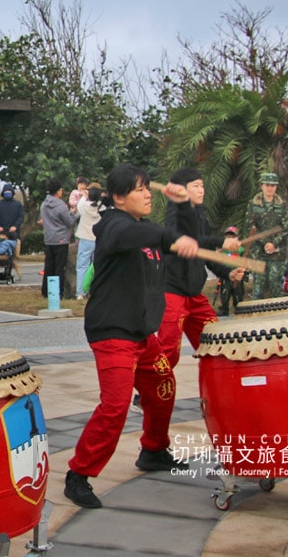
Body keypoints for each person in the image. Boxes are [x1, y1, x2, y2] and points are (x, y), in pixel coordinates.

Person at [63, 164, 199, 510]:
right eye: (139, 189)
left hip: (141, 332)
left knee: (163, 385)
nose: (147, 194)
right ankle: (78, 474)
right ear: (119, 197)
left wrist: (188, 215)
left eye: (147, 188)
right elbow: (130, 237)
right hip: (113, 332)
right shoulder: (112, 225)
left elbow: (178, 238)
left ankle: (154, 449)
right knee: (116, 407)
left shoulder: (145, 230)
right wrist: (169, 236)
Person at [159, 168, 243, 369]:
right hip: (172, 292)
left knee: (215, 343)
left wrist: (227, 272)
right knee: (168, 350)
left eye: (202, 185)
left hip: (194, 295)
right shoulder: (175, 213)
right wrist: (221, 241)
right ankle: (148, 395)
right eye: (195, 186)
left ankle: (214, 394)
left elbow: (205, 252)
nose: (201, 190)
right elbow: (184, 240)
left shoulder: (200, 215)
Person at [244, 172, 288, 300]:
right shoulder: (253, 204)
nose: (270, 188)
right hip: (258, 251)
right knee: (258, 285)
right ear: (261, 186)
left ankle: (277, 315)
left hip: (277, 252)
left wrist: (274, 243)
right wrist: (265, 243)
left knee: (275, 283)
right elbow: (250, 226)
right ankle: (256, 315)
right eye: (267, 185)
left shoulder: (282, 205)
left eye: (273, 185)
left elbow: (286, 227)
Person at [40, 178, 78, 301]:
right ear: (58, 191)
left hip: (49, 239)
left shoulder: (44, 204)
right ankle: (58, 292)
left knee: (49, 266)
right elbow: (69, 222)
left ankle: (46, 291)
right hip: (61, 239)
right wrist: (74, 213)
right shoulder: (60, 205)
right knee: (59, 267)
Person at [74, 183, 103, 299]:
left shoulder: (84, 205)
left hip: (85, 238)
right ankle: (96, 291)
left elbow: (79, 206)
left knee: (82, 266)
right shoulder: (102, 207)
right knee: (98, 266)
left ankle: (80, 292)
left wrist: (84, 195)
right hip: (99, 239)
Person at [213, 226, 246, 316]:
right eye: (228, 237)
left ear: (237, 237)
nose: (230, 239)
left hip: (237, 274)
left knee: (238, 294)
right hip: (225, 274)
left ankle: (239, 308)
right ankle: (224, 309)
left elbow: (245, 261)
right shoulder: (222, 249)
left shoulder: (241, 249)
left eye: (233, 237)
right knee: (225, 293)